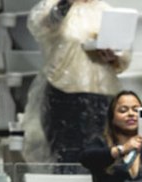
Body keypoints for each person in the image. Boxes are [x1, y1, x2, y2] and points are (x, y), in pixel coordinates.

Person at [24, 0, 131, 164]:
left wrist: (112, 55)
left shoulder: (106, 11)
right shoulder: (55, 6)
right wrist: (66, 4)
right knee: (65, 154)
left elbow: (123, 57)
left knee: (99, 154)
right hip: (62, 91)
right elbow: (41, 27)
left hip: (101, 94)